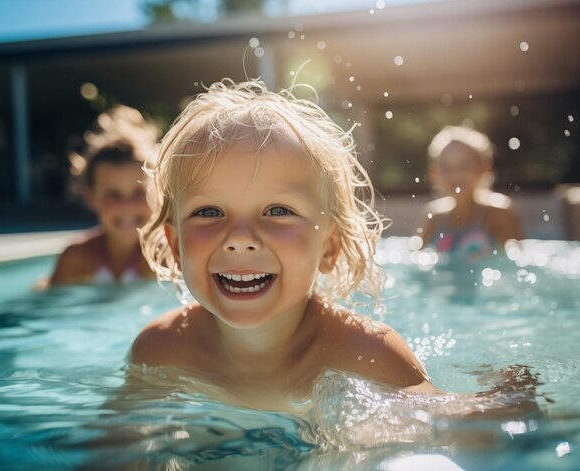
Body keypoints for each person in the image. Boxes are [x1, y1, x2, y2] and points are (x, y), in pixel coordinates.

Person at [130, 80, 538, 415]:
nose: (239, 238)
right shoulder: (161, 350)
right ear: (176, 244)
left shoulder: (366, 353)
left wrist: (508, 404)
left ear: (328, 249)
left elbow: (457, 430)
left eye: (276, 210)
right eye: (209, 211)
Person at [48, 105, 158, 286]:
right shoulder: (76, 259)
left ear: (156, 192)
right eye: (113, 195)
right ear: (91, 197)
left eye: (139, 192)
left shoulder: (167, 259)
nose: (127, 206)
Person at [416, 126, 523, 259]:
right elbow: (415, 262)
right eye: (446, 168)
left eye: (465, 166)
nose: (456, 176)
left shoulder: (498, 213)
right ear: (434, 174)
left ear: (483, 169)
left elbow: (516, 266)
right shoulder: (433, 217)